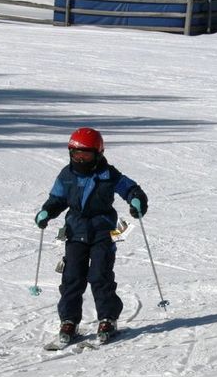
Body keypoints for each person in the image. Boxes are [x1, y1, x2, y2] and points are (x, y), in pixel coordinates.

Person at [34, 127, 148, 345]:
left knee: (99, 274)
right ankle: (69, 320)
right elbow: (57, 198)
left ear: (98, 154)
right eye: (76, 154)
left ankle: (108, 318)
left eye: (86, 154)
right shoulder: (67, 175)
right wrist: (47, 211)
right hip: (75, 231)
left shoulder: (108, 174)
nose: (80, 159)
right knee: (72, 276)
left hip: (103, 231)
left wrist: (137, 200)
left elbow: (130, 188)